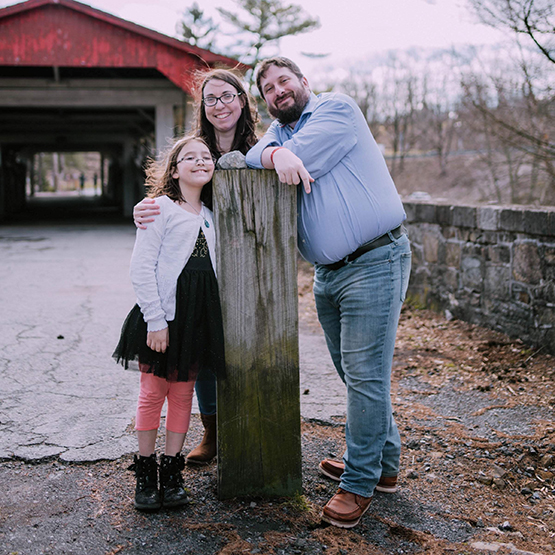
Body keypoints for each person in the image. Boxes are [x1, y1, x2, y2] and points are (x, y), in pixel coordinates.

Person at [245, 57, 412, 529]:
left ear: (304, 82)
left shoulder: (336, 110)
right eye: (268, 88)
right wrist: (275, 154)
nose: (278, 91)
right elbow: (244, 159)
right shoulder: (279, 138)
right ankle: (385, 466)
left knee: (365, 376)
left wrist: (280, 156)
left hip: (374, 261)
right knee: (355, 374)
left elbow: (306, 161)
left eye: (284, 81)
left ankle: (358, 483)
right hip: (328, 273)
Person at [132, 69, 258, 465]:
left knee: (234, 350)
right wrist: (146, 206)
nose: (219, 105)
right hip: (189, 274)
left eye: (227, 96)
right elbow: (166, 213)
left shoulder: (260, 146)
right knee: (188, 364)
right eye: (210, 99)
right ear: (202, 108)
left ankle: (246, 427)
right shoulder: (199, 151)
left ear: (242, 99)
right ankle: (212, 430)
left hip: (246, 256)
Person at [113, 136, 226, 510]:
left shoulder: (213, 215)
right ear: (174, 170)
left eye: (206, 156)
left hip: (197, 318)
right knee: (152, 395)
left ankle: (172, 472)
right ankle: (145, 474)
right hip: (163, 316)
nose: (200, 161)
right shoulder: (159, 208)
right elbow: (141, 266)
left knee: (182, 396)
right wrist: (156, 320)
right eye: (188, 157)